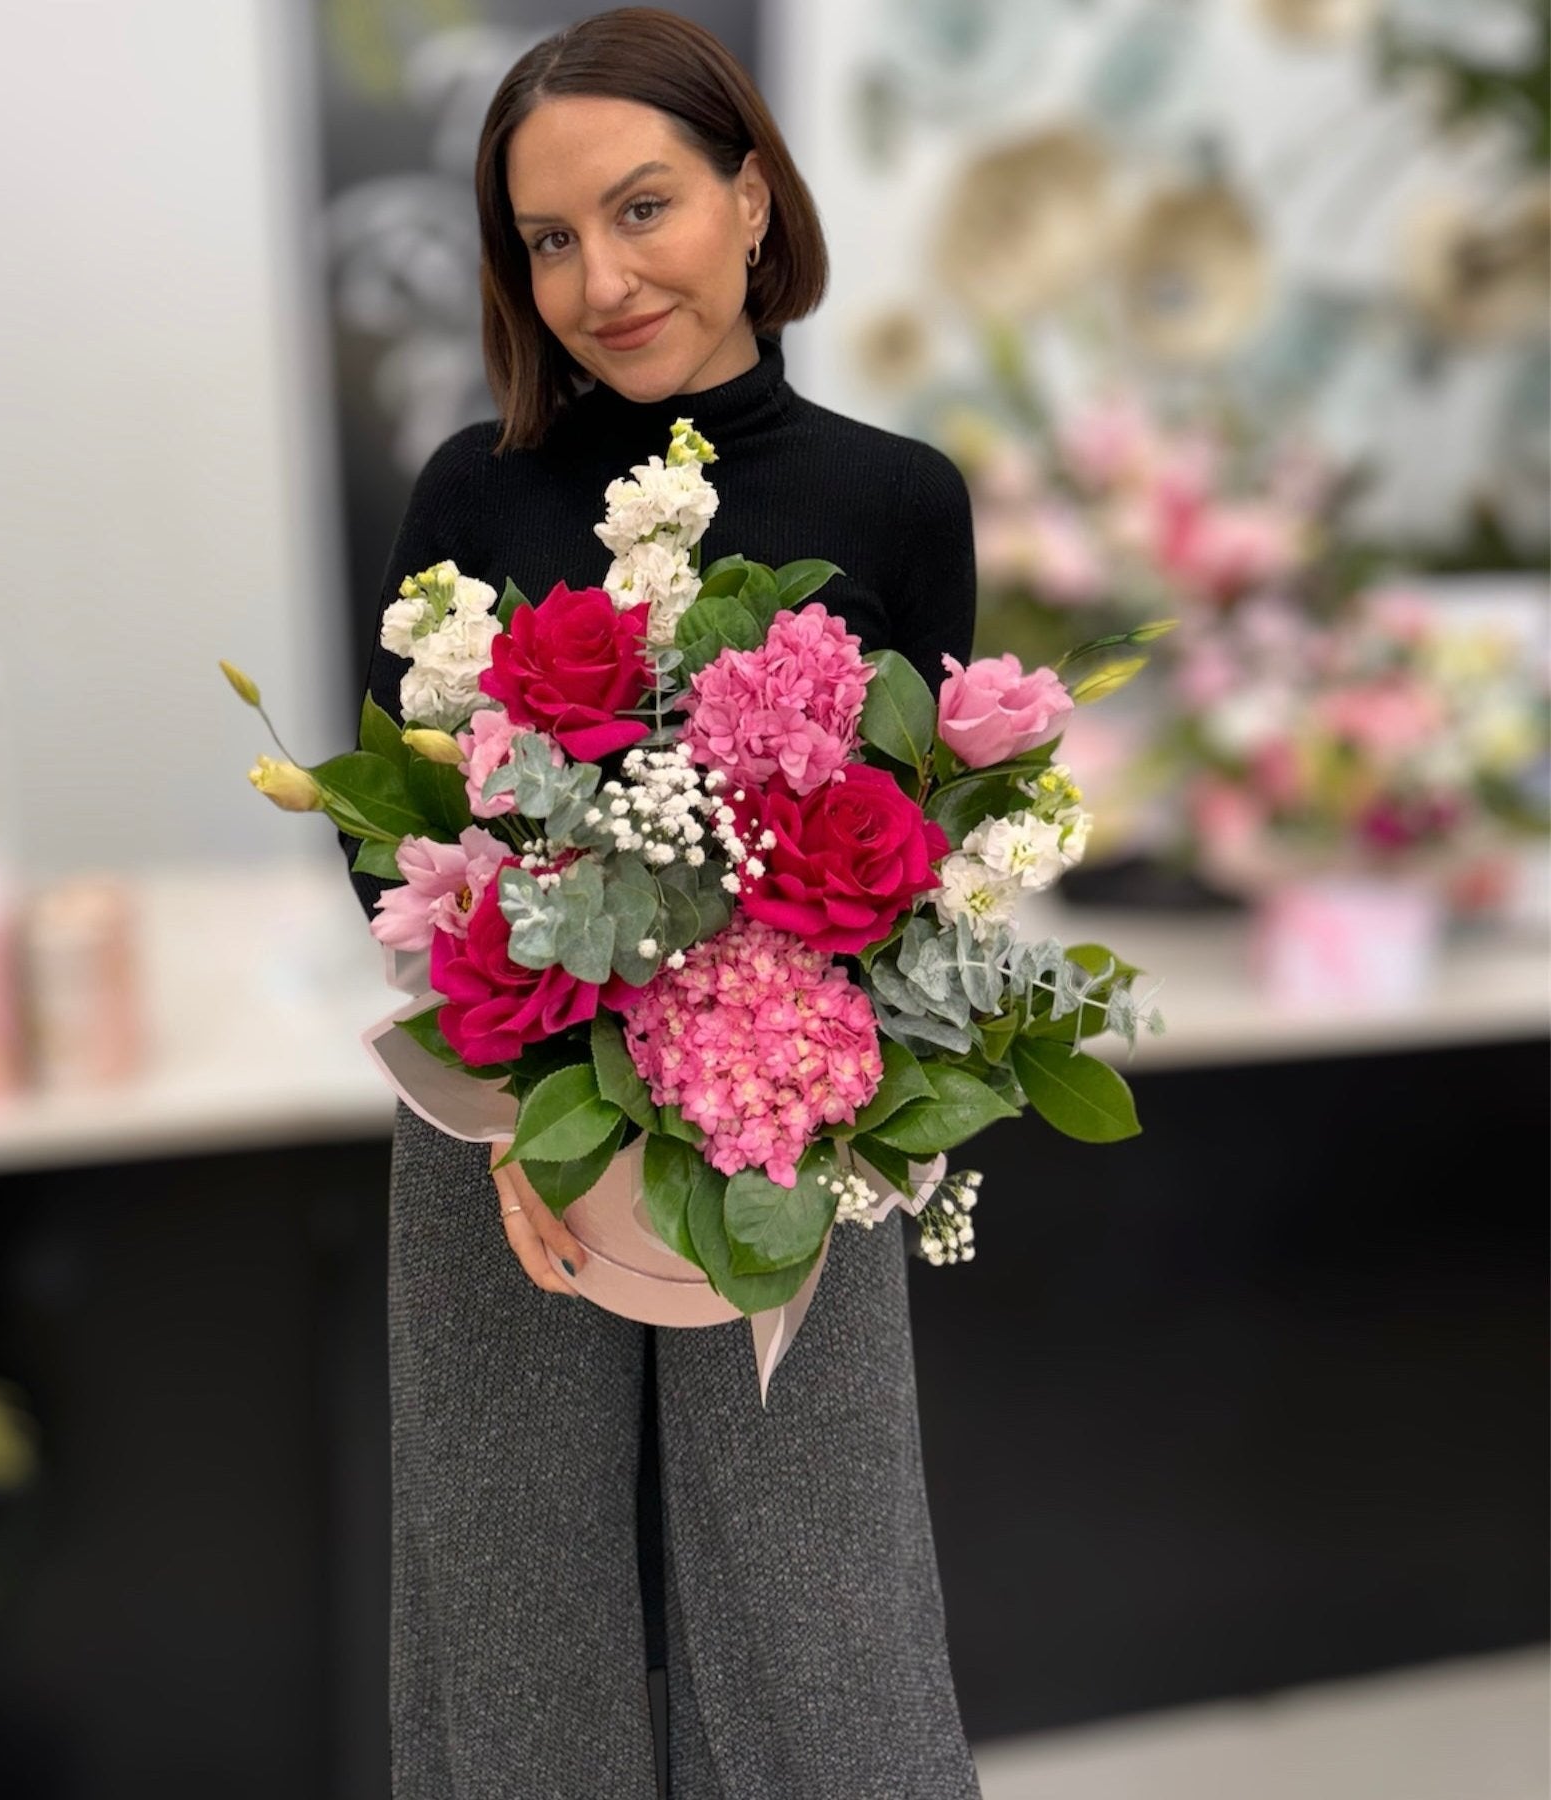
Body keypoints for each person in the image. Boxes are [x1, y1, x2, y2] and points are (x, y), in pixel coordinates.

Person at [341, 10, 983, 1796]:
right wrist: (515, 1126)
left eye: (643, 209)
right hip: (500, 1117)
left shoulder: (895, 499)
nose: (600, 278)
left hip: (795, 1117)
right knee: (507, 1602)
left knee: (824, 1600)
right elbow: (391, 843)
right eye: (548, 239)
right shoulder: (472, 493)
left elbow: (914, 864)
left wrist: (792, 1077)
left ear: (752, 196)